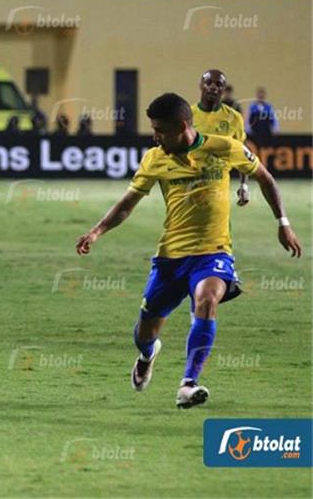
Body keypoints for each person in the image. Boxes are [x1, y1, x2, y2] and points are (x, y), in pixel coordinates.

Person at [75, 93, 301, 408]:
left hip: (214, 252)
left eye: (160, 130)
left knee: (207, 300)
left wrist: (283, 223)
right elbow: (128, 203)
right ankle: (147, 354)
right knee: (145, 332)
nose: (155, 137)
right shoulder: (154, 159)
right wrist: (97, 231)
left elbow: (265, 178)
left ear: (182, 126)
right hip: (171, 257)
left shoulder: (224, 147)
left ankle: (188, 383)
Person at [192, 69, 249, 205]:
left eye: (218, 84)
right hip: (189, 188)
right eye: (208, 83)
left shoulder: (234, 118)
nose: (213, 87)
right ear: (200, 85)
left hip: (220, 194)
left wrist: (244, 186)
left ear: (223, 89)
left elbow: (242, 153)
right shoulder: (187, 116)